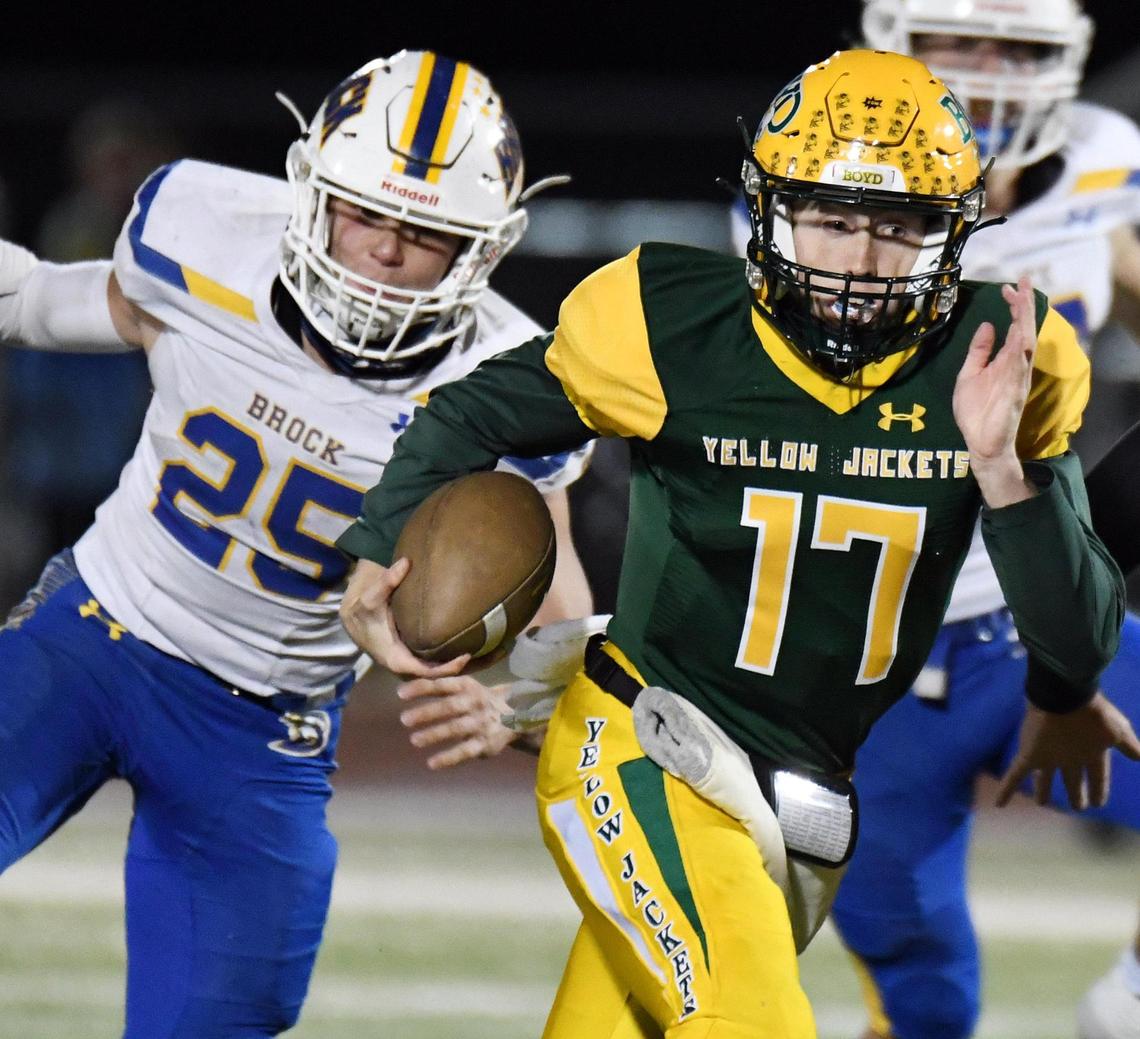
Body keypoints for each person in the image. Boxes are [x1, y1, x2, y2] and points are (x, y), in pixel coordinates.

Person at [334, 49, 1138, 1038]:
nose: (859, 256)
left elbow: (1083, 625)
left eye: (898, 226)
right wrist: (379, 545)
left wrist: (1005, 477)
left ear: (956, 233)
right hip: (644, 738)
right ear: (771, 212)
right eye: (831, 218)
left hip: (803, 794)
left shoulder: (1000, 356)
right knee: (748, 1023)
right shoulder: (670, 322)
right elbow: (472, 411)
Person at [0, 50, 592, 1037]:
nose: (385, 253)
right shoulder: (211, 242)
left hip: (264, 728)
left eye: (427, 231)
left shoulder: (511, 385)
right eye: (365, 212)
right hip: (94, 634)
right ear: (310, 189)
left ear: (485, 249)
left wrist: (518, 707)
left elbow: (563, 620)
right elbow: (39, 302)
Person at [801, 5, 1140, 1037]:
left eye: (1016, 50)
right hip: (870, 650)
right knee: (918, 980)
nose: (986, 74)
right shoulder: (825, 174)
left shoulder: (1098, 165)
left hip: (1033, 605)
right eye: (957, 43)